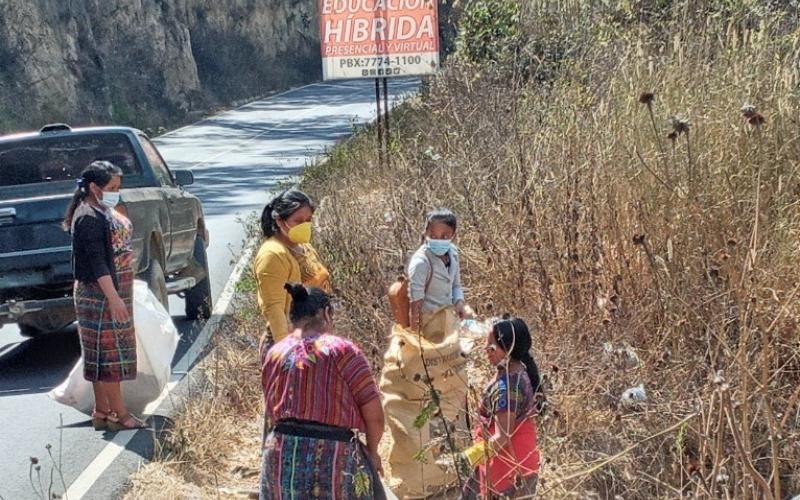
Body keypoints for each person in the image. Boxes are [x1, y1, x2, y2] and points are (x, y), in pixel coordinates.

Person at [260, 283, 385, 499]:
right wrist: (373, 453)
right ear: (327, 313)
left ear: (293, 318)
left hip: (279, 456)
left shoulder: (274, 354)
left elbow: (271, 412)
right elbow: (374, 416)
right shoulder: (343, 352)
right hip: (335, 458)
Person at [64, 161, 145, 430]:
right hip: (99, 292)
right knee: (109, 355)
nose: (115, 192)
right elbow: (98, 262)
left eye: (118, 187)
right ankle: (121, 415)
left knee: (99, 354)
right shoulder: (87, 216)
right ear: (93, 187)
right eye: (111, 188)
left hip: (108, 288)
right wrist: (114, 297)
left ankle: (102, 411)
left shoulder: (100, 210)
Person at [460, 316, 543, 499]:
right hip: (521, 463)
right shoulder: (520, 371)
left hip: (506, 471)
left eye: (491, 346)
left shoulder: (506, 388)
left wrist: (467, 458)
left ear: (508, 349)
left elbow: (502, 436)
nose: (486, 350)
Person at [253, 190, 330, 352]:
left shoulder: (303, 247)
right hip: (291, 345)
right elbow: (274, 308)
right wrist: (287, 351)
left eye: (308, 220)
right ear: (280, 221)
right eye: (298, 221)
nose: (305, 226)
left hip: (314, 340)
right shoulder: (272, 255)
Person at [408, 208, 474, 337]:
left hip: (450, 320)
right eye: (433, 236)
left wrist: (460, 304)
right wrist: (415, 340)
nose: (438, 240)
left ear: (453, 235)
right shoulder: (421, 262)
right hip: (429, 326)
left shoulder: (453, 253)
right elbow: (415, 305)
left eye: (444, 236)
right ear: (426, 233)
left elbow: (456, 285)